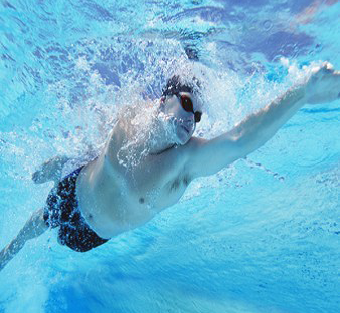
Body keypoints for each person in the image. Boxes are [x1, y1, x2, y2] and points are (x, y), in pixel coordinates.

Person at [0, 62, 339, 270]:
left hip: (90, 238)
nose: (192, 120)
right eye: (188, 104)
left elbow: (240, 139)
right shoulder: (129, 116)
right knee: (41, 221)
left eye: (198, 115)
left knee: (55, 234)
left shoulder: (184, 162)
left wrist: (302, 95)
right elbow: (98, 146)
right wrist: (66, 161)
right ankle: (4, 255)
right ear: (164, 100)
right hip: (72, 193)